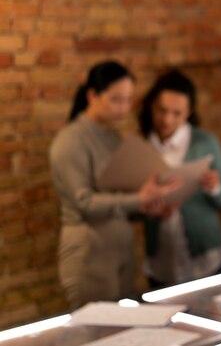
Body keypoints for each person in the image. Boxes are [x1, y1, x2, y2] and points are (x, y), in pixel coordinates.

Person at [50, 60, 181, 309]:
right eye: (116, 99)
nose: (124, 108)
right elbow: (84, 202)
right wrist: (139, 199)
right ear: (92, 95)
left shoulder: (112, 136)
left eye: (129, 99)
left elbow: (121, 198)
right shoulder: (71, 140)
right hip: (90, 252)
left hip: (121, 251)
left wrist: (149, 208)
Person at [138, 69, 221, 288]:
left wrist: (214, 187)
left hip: (205, 259)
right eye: (162, 110)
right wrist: (151, 210)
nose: (167, 119)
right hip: (161, 260)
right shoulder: (142, 146)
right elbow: (135, 206)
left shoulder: (205, 143)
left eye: (177, 113)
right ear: (151, 106)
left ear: (189, 112)